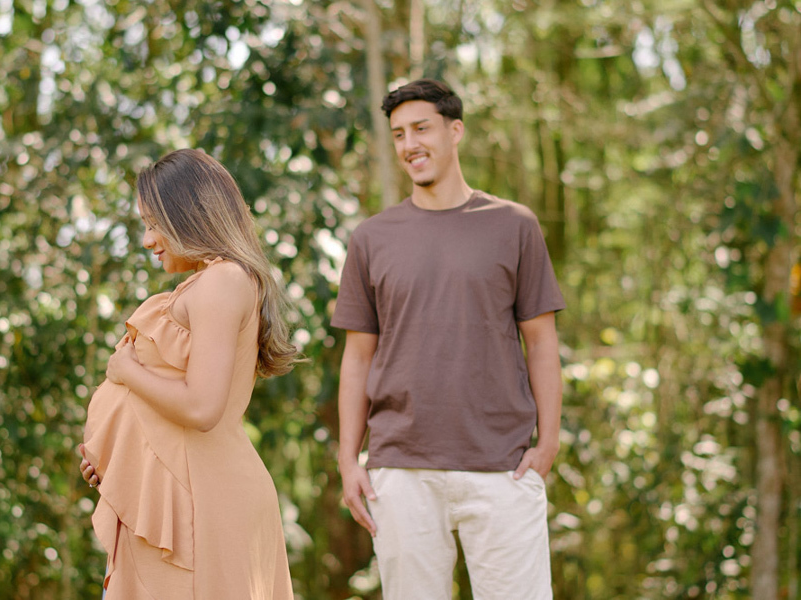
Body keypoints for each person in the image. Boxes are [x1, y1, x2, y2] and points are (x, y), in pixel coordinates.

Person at [331, 79, 566, 599]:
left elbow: (541, 343)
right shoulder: (371, 238)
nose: (410, 144)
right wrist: (349, 461)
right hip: (401, 468)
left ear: (455, 131)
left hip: (502, 466)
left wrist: (547, 442)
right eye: (399, 134)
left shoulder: (514, 225)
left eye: (421, 129)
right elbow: (358, 358)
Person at [77, 148, 296, 599]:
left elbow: (201, 407)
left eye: (153, 223)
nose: (147, 240)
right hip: (176, 501)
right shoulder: (207, 284)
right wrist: (119, 457)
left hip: (203, 505)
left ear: (188, 214)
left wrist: (125, 370)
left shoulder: (223, 281)